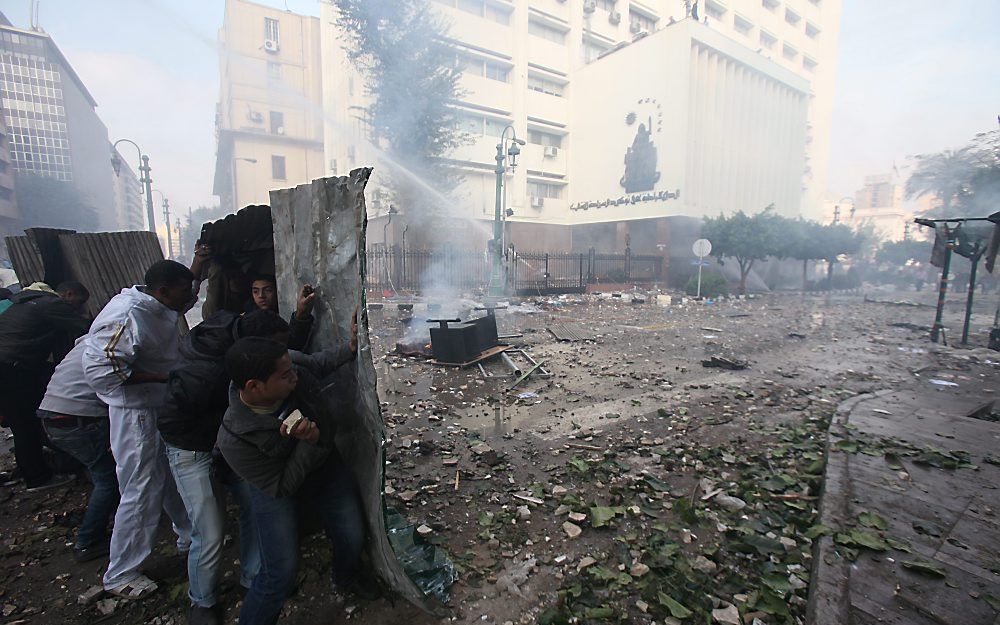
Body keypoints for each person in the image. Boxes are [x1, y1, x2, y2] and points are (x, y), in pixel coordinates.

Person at [157, 310, 302, 625]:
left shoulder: (237, 338)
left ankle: (253, 576)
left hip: (229, 442)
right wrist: (227, 434)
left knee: (252, 507)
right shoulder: (205, 374)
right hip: (192, 447)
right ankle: (203, 600)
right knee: (209, 529)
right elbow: (172, 420)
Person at [218, 322, 367, 625]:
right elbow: (282, 485)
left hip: (324, 464)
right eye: (285, 377)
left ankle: (346, 577)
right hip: (276, 484)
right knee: (280, 572)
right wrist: (309, 444)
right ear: (254, 387)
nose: (295, 379)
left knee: (352, 533)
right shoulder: (236, 437)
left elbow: (316, 363)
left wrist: (350, 347)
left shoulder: (290, 365)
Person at [82, 260, 195, 598]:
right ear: (162, 290)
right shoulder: (128, 314)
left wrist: (200, 262)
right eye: (182, 293)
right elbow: (101, 369)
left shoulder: (157, 305)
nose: (187, 300)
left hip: (154, 406)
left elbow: (187, 294)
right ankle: (121, 573)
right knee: (141, 488)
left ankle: (190, 533)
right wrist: (165, 377)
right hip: (136, 415)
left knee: (170, 475)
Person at [0, 280, 91, 490]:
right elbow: (86, 329)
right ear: (68, 294)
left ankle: (29, 469)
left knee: (20, 423)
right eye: (79, 302)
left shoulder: (23, 303)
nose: (78, 308)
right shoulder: (52, 304)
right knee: (26, 424)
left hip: (9, 367)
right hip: (12, 369)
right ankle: (37, 478)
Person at [37, 337, 118, 563]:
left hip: (52, 417)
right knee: (108, 479)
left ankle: (108, 519)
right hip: (76, 420)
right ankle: (88, 541)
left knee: (100, 471)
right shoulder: (115, 349)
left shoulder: (91, 342)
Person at [245, 274, 316, 351]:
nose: (261, 296)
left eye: (268, 290)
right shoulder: (248, 321)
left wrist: (301, 315)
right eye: (255, 291)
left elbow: (291, 344)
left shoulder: (283, 312)